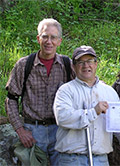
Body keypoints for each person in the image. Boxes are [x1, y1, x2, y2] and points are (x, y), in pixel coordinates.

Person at [5, 18, 74, 166]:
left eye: (53, 37)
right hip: (33, 132)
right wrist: (20, 130)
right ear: (38, 38)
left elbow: (85, 84)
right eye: (45, 36)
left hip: (60, 131)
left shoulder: (67, 65)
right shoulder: (24, 65)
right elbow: (11, 99)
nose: (49, 41)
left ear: (59, 41)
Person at [53, 45, 120, 166]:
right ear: (73, 66)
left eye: (90, 61)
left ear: (96, 64)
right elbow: (62, 117)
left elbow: (117, 127)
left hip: (101, 159)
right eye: (81, 62)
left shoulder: (109, 92)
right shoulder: (66, 90)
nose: (86, 65)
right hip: (71, 159)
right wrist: (94, 111)